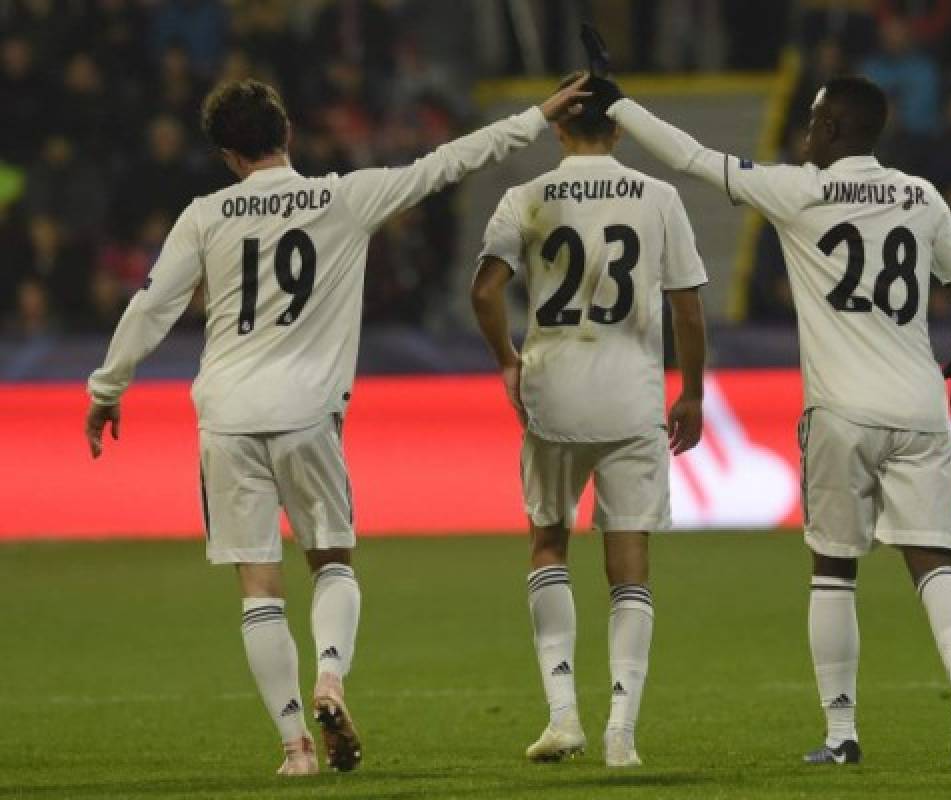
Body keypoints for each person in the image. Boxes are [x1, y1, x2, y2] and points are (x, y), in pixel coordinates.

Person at [84, 76, 590, 776]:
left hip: (227, 417)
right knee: (332, 561)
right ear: (286, 132)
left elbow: (150, 306)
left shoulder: (205, 215)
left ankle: (294, 748)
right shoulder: (342, 198)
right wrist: (538, 115)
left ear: (228, 155)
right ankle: (329, 676)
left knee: (258, 584)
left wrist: (108, 388)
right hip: (306, 415)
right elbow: (449, 161)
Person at [597, 74, 951, 767]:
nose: (805, 134)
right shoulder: (921, 196)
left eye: (813, 122)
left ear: (835, 129)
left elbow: (691, 157)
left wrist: (618, 103)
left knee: (833, 570)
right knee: (935, 561)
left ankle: (842, 736)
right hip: (919, 410)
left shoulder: (798, 191)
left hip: (840, 413)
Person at [470, 72, 708, 769]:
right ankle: (622, 736)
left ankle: (564, 717)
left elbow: (485, 289)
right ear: (623, 126)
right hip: (632, 395)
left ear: (558, 127)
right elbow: (688, 308)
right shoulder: (659, 197)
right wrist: (691, 392)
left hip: (555, 391)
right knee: (628, 561)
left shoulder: (527, 197)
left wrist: (508, 360)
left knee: (549, 541)